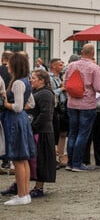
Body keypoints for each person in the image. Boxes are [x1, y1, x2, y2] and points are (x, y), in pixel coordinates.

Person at [63, 43, 100, 172]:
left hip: (71, 103)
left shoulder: (71, 66)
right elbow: (99, 87)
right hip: (87, 104)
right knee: (83, 134)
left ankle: (70, 163)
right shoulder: (94, 68)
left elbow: (65, 83)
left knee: (72, 133)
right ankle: (77, 163)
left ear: (82, 52)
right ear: (93, 54)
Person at [1, 53, 36, 205]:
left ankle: (22, 194)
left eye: (9, 63)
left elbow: (17, 107)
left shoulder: (17, 83)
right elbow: (31, 103)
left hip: (14, 120)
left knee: (18, 158)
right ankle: (24, 193)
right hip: (21, 120)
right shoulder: (25, 81)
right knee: (23, 158)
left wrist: (5, 103)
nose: (7, 65)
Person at [27, 69, 56, 198]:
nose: (31, 80)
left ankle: (39, 187)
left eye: (33, 78)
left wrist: (33, 127)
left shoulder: (45, 94)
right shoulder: (35, 92)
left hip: (42, 132)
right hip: (35, 130)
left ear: (41, 80)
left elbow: (45, 114)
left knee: (41, 161)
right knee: (32, 160)